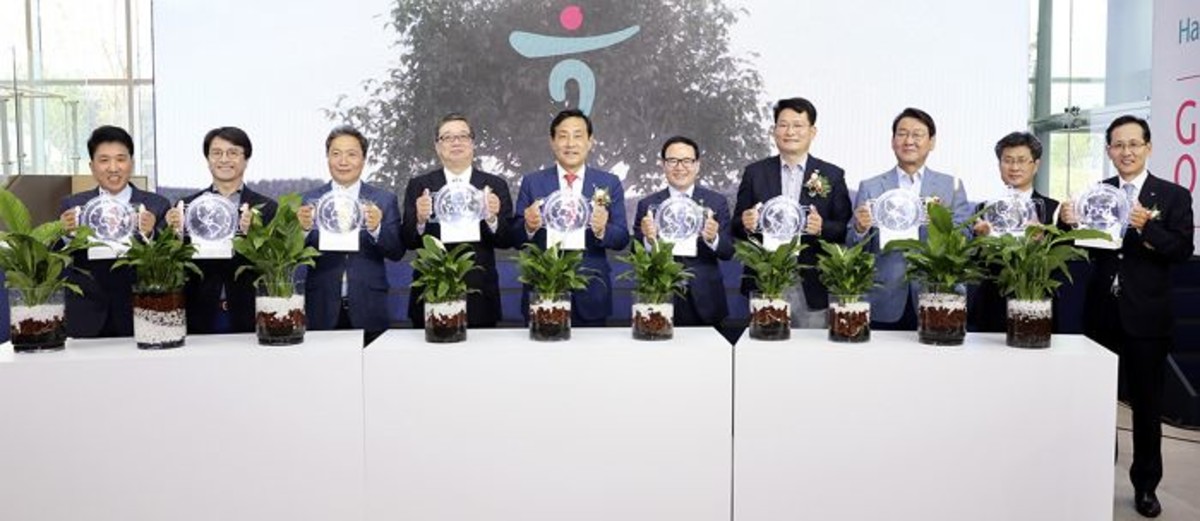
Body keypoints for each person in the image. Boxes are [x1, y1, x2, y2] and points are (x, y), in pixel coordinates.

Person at [1060, 115, 1193, 518]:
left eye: (1134, 144)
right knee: (1099, 405)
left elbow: (1181, 250)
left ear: (1148, 147)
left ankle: (1146, 486)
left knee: (1147, 407)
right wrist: (1068, 222)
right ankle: (1098, 477)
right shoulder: (1097, 193)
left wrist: (1147, 228)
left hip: (1147, 317)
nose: (1126, 152)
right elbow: (1084, 246)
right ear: (1108, 150)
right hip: (1101, 314)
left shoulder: (1172, 195)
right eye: (1118, 145)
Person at [848, 107, 973, 330]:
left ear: (931, 142)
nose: (909, 141)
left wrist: (941, 223)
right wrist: (859, 228)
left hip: (936, 295)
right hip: (883, 296)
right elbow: (852, 246)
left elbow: (965, 238)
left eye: (917, 135)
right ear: (893, 141)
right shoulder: (870, 186)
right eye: (902, 134)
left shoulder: (950, 186)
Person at [732, 97, 851, 328]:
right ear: (774, 130)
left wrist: (821, 227)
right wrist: (745, 222)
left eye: (798, 125)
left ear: (812, 132)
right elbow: (735, 226)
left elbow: (843, 229)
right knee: (765, 342)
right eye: (783, 125)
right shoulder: (755, 173)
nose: (790, 132)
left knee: (811, 347)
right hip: (766, 279)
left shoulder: (832, 175)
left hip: (812, 280)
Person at [512, 109, 629, 326]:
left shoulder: (608, 183)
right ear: (552, 142)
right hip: (543, 289)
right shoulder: (532, 182)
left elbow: (621, 238)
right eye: (563, 136)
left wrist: (602, 230)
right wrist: (528, 226)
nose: (570, 143)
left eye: (578, 136)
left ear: (590, 141)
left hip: (591, 291)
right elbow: (516, 237)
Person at [402, 113, 514, 327]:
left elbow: (507, 240)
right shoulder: (420, 185)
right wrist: (420, 220)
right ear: (437, 146)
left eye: (463, 136)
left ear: (472, 143)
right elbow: (408, 241)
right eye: (447, 137)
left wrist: (492, 219)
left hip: (480, 293)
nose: (456, 142)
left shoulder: (494, 185)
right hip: (432, 291)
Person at [58, 125, 170, 338]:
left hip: (141, 312)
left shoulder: (157, 205)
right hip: (87, 314)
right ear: (92, 166)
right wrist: (64, 233)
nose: (113, 168)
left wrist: (150, 234)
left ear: (131, 163)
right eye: (104, 160)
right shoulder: (73, 205)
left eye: (120, 159)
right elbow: (59, 260)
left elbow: (168, 260)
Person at [164, 127, 278, 334]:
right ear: (208, 160)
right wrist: (175, 235)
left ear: (246, 159)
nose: (224, 159)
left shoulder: (268, 207)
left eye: (233, 153)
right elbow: (174, 261)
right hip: (199, 311)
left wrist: (254, 234)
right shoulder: (187, 207)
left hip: (250, 312)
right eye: (217, 153)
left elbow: (276, 263)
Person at [298, 125, 405, 343]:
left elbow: (396, 251)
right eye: (336, 154)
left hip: (370, 305)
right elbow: (291, 255)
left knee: (372, 364)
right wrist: (303, 230)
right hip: (321, 305)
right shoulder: (307, 201)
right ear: (327, 158)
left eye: (351, 154)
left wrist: (376, 228)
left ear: (363, 159)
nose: (343, 161)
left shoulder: (384, 200)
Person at [632, 136, 733, 326]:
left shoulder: (716, 202)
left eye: (687, 161)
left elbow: (728, 251)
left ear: (697, 165)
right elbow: (635, 252)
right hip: (660, 296)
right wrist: (648, 239)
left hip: (707, 298)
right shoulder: (647, 205)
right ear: (663, 165)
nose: (680, 167)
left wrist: (713, 238)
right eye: (672, 161)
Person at [968, 131, 1060, 332]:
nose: (1014, 167)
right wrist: (981, 241)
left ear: (1036, 165)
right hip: (992, 306)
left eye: (1021, 160)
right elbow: (974, 264)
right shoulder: (984, 209)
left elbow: (1060, 262)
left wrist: (1040, 243)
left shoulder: (1053, 209)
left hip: (1035, 307)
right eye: (1008, 160)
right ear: (999, 165)